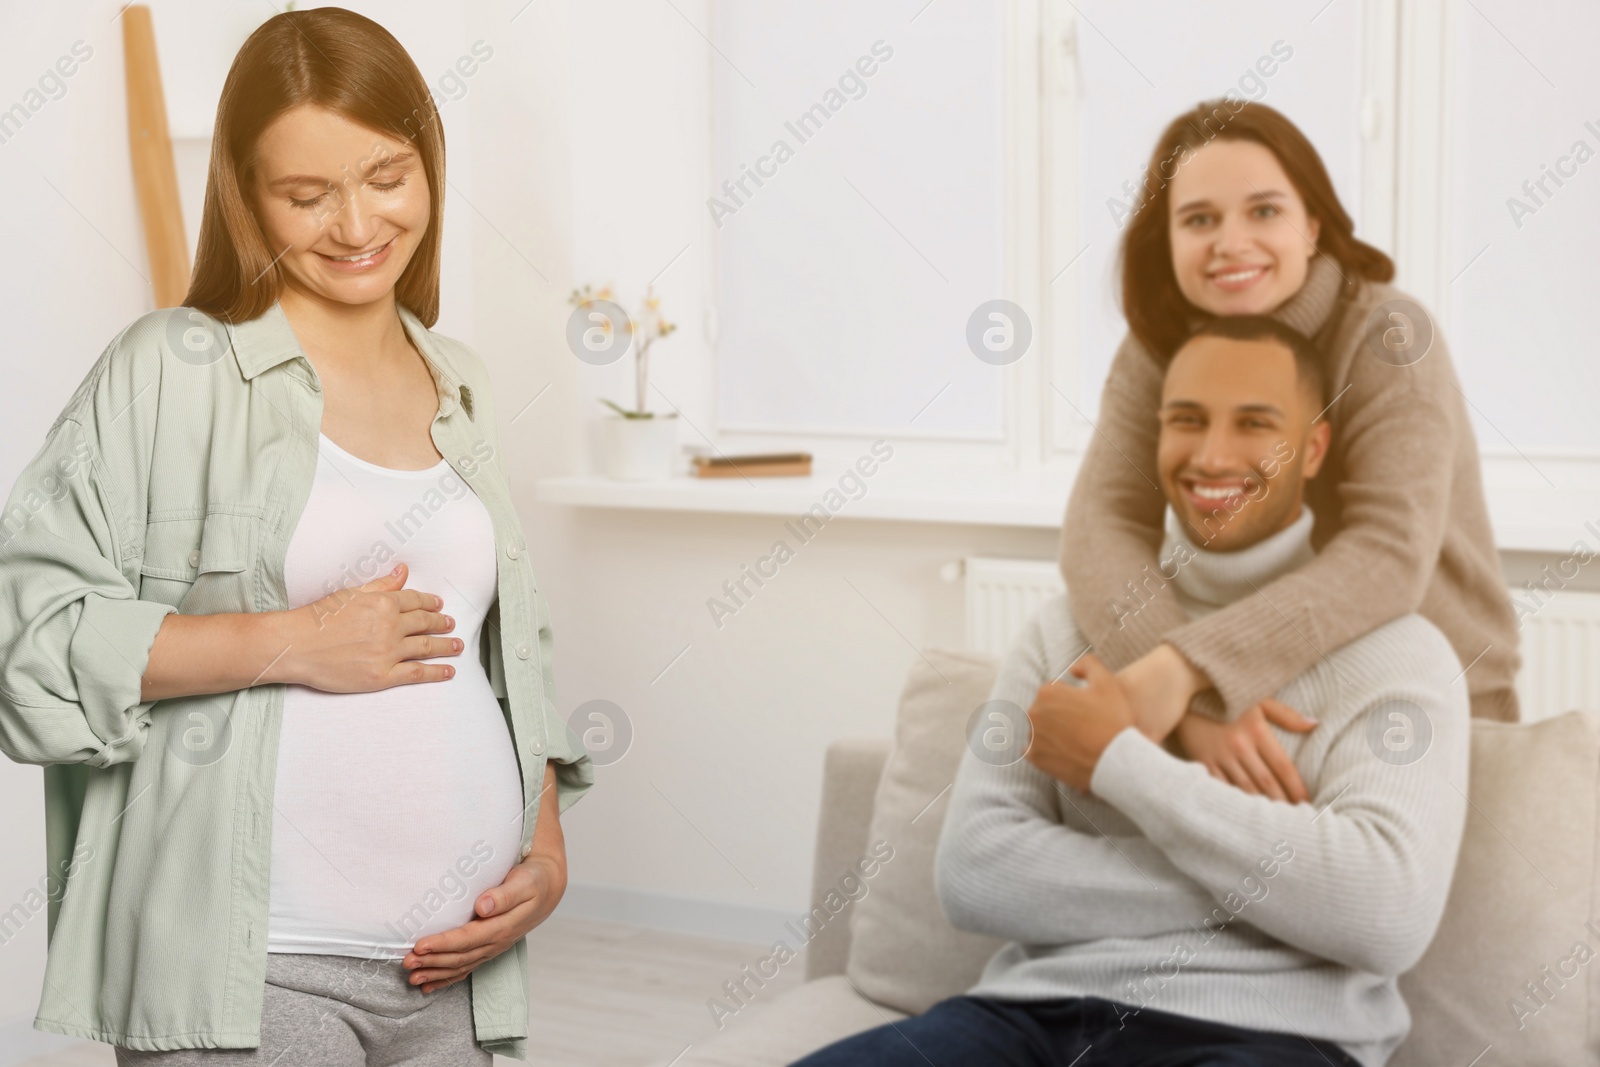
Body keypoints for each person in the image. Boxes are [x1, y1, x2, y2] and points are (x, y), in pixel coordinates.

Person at [0, 9, 591, 1063]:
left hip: (458, 965)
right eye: (306, 194)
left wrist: (543, 847)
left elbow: (511, 656)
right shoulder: (171, 367)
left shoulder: (459, 377)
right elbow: (30, 636)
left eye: (388, 177)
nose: (356, 222)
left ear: (431, 170)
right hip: (256, 968)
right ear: (244, 195)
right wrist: (292, 640)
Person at [790, 315, 1471, 1067]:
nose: (1213, 454)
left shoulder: (1401, 656)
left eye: (1255, 423)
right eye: (1187, 419)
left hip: (1271, 1038)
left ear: (1312, 449)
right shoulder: (1067, 630)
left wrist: (1115, 758)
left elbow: (1383, 913)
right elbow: (976, 872)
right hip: (1026, 1020)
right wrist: (1289, 892)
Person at [1064, 99, 1518, 805]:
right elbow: (1100, 528)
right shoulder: (1156, 348)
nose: (1231, 242)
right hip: (1260, 684)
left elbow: (1388, 553)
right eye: (1200, 219)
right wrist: (1187, 696)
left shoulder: (1389, 335)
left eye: (1264, 211)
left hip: (1428, 691)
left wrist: (1188, 671)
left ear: (1312, 227)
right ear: (1168, 241)